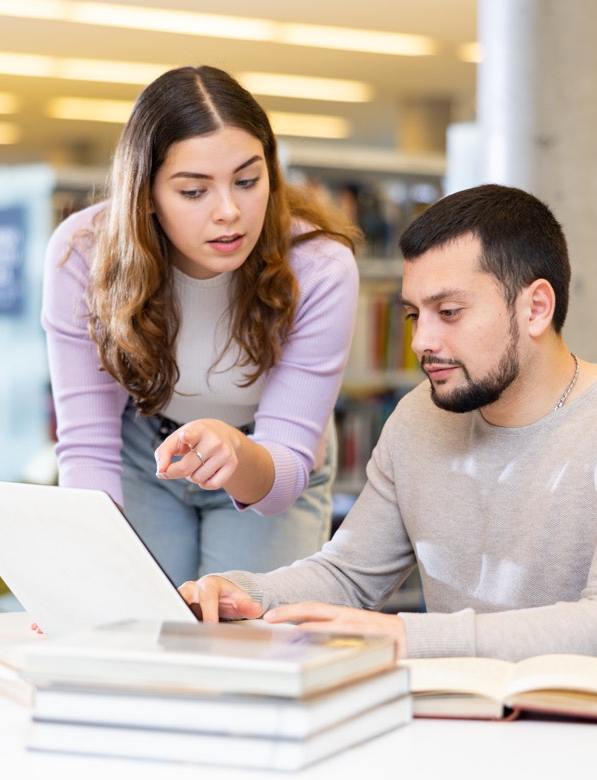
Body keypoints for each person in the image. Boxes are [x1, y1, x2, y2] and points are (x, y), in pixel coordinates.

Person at [180, 183, 597, 668]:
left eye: (450, 312)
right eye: (415, 315)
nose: (421, 342)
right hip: (470, 719)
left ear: (536, 308)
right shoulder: (420, 416)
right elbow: (348, 575)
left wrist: (409, 638)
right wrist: (243, 593)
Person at [42, 65, 361, 585]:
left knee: (251, 626)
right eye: (194, 191)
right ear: (146, 194)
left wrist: (235, 452)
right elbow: (88, 448)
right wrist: (84, 583)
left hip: (265, 454)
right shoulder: (83, 253)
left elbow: (282, 476)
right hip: (142, 449)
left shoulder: (319, 267)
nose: (229, 212)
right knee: (133, 619)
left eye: (247, 181)